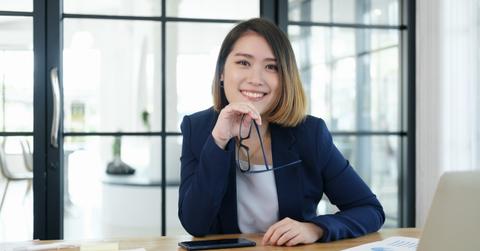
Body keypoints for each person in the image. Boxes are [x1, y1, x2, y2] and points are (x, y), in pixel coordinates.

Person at [178, 18, 385, 246]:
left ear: (284, 78)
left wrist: (315, 228)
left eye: (271, 67)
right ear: (221, 73)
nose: (256, 79)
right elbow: (194, 223)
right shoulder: (197, 128)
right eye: (244, 63)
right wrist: (219, 140)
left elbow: (369, 209)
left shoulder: (310, 133)